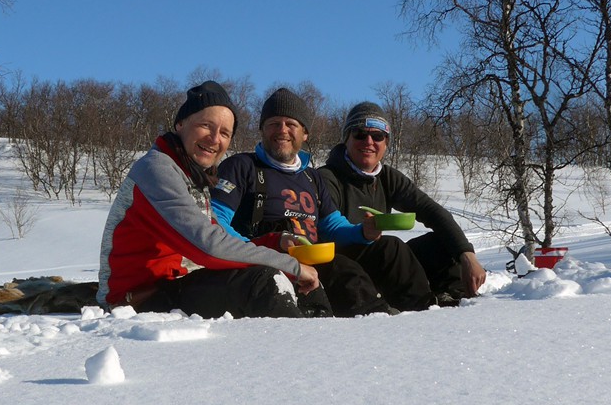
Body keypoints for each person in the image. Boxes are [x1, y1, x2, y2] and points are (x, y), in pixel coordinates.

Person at [97, 81, 319, 318]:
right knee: (264, 282)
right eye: (206, 125)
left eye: (224, 133)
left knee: (305, 280)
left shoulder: (191, 174)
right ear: (180, 124)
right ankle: (296, 350)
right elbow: (209, 247)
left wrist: (276, 243)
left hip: (175, 285)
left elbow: (215, 237)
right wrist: (291, 266)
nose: (215, 139)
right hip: (136, 299)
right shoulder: (158, 169)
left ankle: (322, 341)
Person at [210, 88, 396, 317]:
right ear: (261, 129)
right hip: (266, 263)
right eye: (273, 123)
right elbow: (215, 222)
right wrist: (266, 247)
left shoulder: (311, 176)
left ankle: (380, 324)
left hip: (313, 262)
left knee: (348, 272)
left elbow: (332, 226)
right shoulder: (241, 167)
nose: (282, 130)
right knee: (340, 274)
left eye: (291, 124)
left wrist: (362, 232)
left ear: (305, 133)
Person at [317, 101, 488, 307]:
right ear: (347, 139)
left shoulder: (387, 177)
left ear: (386, 143)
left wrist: (466, 254)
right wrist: (363, 232)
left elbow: (431, 211)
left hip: (380, 263)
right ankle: (422, 309)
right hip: (344, 268)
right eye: (360, 134)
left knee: (439, 242)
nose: (369, 141)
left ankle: (457, 298)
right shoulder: (326, 178)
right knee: (391, 247)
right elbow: (329, 230)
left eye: (378, 136)